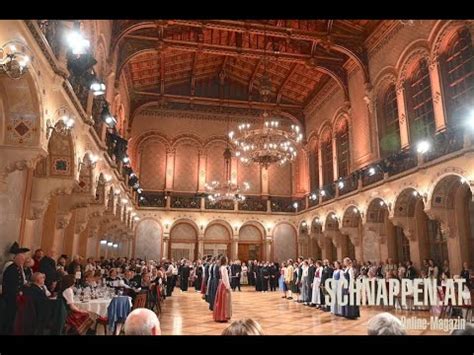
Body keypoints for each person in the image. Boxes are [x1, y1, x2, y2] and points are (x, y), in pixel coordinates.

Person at [1, 252, 27, 334]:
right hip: (10, 296)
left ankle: (10, 330)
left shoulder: (18, 268)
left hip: (15, 296)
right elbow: (10, 283)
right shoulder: (11, 268)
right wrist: (17, 292)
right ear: (17, 259)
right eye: (22, 259)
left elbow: (20, 282)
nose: (23, 261)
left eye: (24, 260)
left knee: (13, 315)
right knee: (8, 315)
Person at [213, 256, 232, 322]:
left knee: (220, 300)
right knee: (224, 300)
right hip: (224, 284)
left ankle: (219, 316)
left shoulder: (221, 267)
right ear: (225, 260)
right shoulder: (224, 268)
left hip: (221, 284)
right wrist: (228, 287)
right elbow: (225, 278)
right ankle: (223, 316)